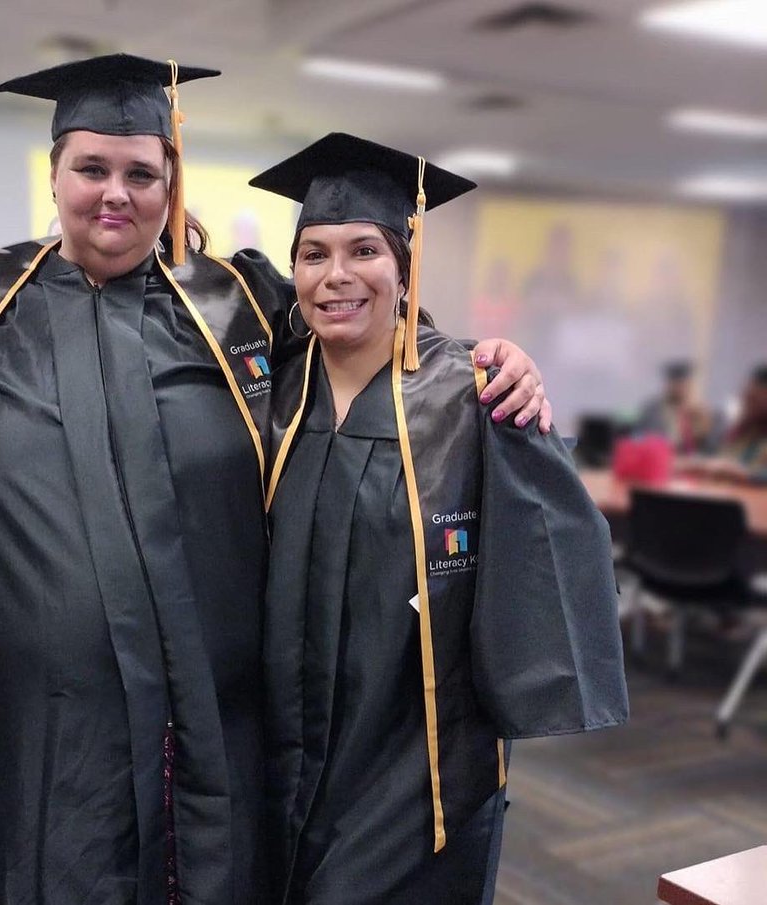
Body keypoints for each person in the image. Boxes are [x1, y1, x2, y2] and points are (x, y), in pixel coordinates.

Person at [0, 55, 550, 904]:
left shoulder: (233, 301)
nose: (116, 192)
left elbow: (360, 311)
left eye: (142, 173)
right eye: (91, 168)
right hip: (37, 719)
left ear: (170, 181)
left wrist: (490, 360)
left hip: (210, 707)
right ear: (55, 170)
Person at [251, 133, 630, 904]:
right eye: (313, 254)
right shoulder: (271, 394)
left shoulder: (475, 393)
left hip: (411, 760)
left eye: (363, 250)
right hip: (277, 744)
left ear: (403, 264)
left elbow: (555, 552)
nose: (336, 277)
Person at [637, 360, 720, 454]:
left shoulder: (704, 412)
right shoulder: (652, 410)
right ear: (668, 385)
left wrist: (704, 429)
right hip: (663, 460)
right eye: (677, 384)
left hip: (695, 463)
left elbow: (712, 448)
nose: (681, 388)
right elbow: (643, 440)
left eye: (685, 384)